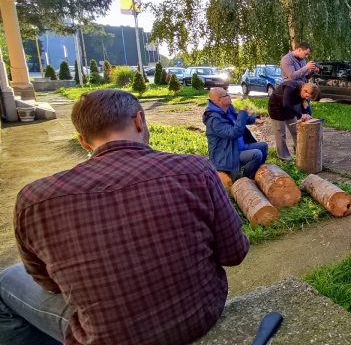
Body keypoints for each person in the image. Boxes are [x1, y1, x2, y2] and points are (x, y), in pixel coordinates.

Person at [0, 89, 249, 345]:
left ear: (83, 141)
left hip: (108, 337)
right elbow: (235, 253)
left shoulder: (34, 200)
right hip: (199, 316)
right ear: (139, 120)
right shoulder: (195, 170)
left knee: (6, 279)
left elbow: (49, 284)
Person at [204, 87, 268, 180]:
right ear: (219, 100)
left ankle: (256, 175)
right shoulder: (214, 119)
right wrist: (243, 113)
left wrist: (253, 120)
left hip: (237, 147)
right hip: (226, 154)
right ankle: (245, 180)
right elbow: (234, 133)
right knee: (256, 154)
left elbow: (236, 118)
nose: (229, 96)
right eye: (226, 95)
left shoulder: (227, 109)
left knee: (263, 146)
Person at [268, 80, 319, 161]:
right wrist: (300, 115)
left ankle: (300, 152)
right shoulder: (290, 87)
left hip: (289, 109)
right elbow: (286, 104)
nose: (307, 98)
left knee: (296, 131)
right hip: (276, 108)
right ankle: (284, 157)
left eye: (308, 97)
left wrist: (307, 114)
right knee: (281, 134)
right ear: (304, 90)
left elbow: (305, 105)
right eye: (307, 96)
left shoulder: (304, 92)